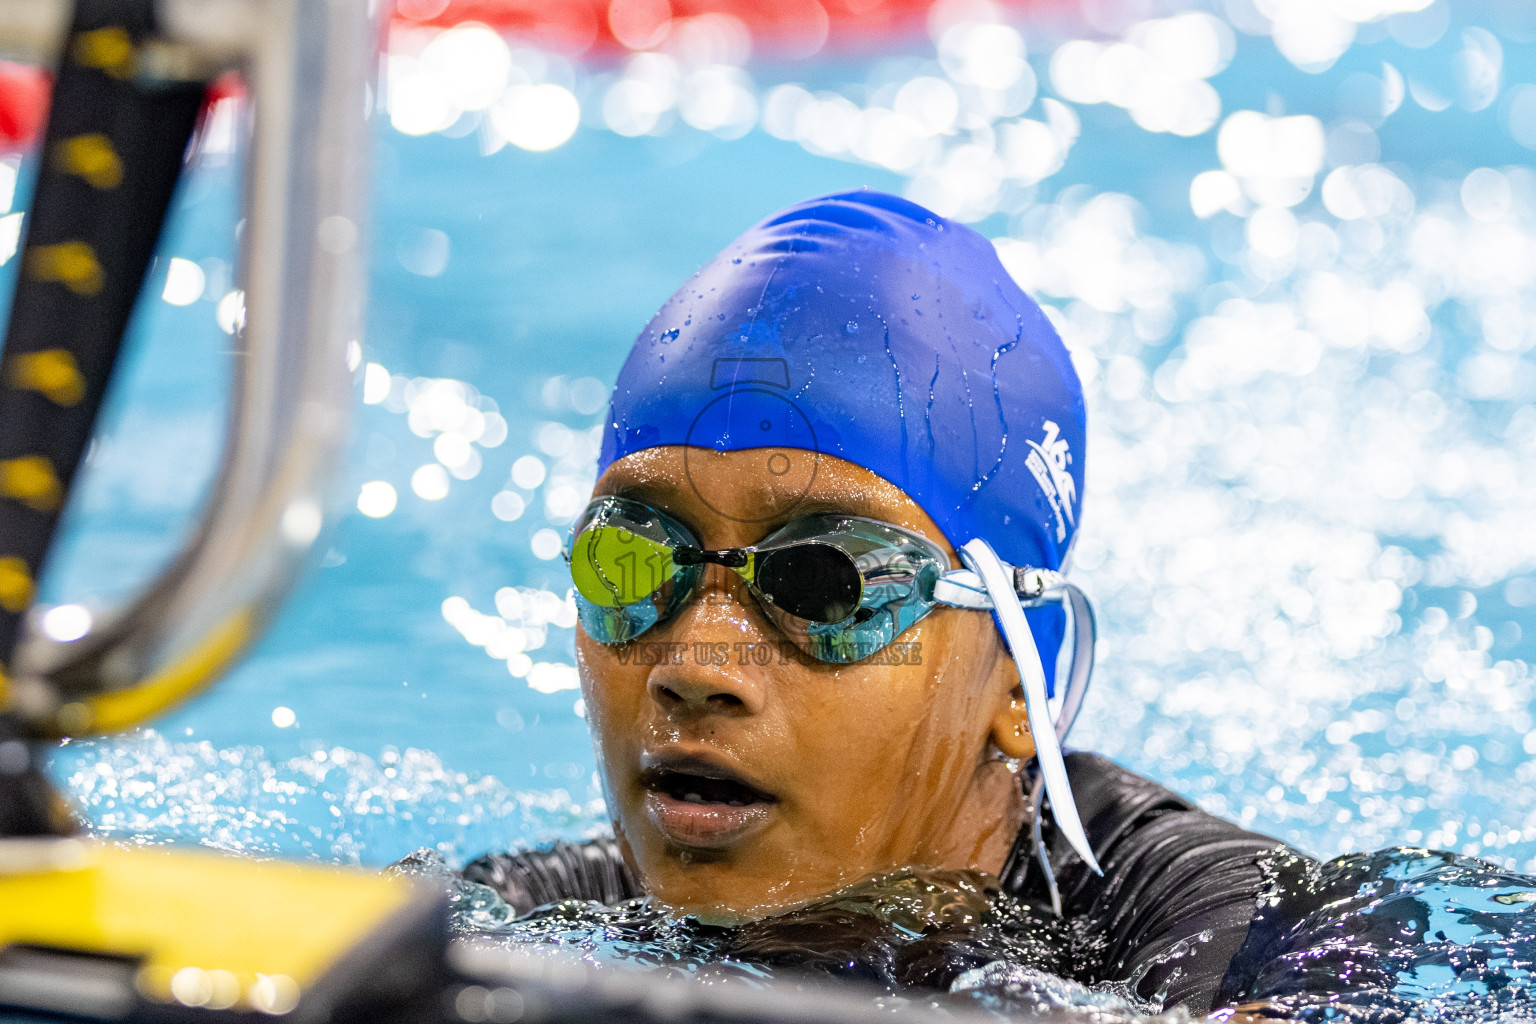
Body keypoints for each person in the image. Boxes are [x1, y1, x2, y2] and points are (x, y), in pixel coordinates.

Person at [461, 191, 1532, 1021]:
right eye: (636, 561)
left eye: (828, 580)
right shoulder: (517, 920)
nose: (693, 660)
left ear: (1021, 681)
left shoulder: (1229, 932)